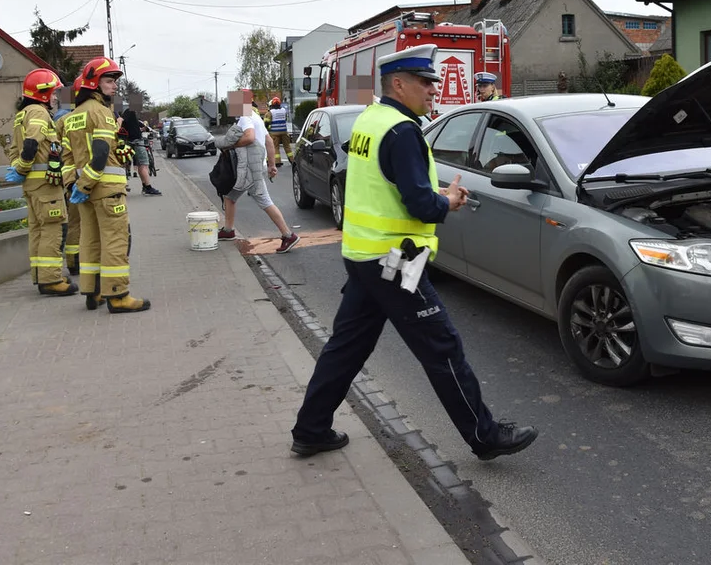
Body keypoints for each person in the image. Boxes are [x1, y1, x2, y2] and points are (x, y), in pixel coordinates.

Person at [290, 44, 538, 460]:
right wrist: (449, 201)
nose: (432, 90)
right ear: (399, 84)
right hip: (396, 261)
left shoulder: (372, 119)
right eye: (424, 83)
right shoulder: (404, 132)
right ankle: (485, 436)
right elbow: (419, 205)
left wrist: (432, 194)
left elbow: (386, 186)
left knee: (347, 347)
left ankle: (311, 428)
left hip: (365, 256)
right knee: (442, 348)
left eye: (432, 82)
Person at [62, 57, 151, 313]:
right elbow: (100, 153)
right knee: (115, 241)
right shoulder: (100, 112)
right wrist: (88, 183)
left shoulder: (73, 116)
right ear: (94, 83)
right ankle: (118, 295)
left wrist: (74, 186)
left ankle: (93, 292)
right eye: (109, 81)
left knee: (90, 240)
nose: (114, 87)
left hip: (84, 193)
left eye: (114, 82)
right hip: (106, 190)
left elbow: (67, 158)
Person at [4, 69, 78, 297]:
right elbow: (30, 145)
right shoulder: (38, 112)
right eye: (54, 93)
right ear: (43, 92)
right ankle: (52, 279)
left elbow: (14, 150)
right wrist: (25, 166)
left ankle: (41, 275)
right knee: (53, 229)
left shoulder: (22, 114)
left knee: (37, 230)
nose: (56, 97)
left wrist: (20, 170)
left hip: (31, 186)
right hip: (46, 185)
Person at [214, 109, 301, 253]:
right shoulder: (256, 118)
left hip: (250, 169)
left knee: (265, 201)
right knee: (229, 196)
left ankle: (288, 235)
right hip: (254, 166)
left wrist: (230, 145)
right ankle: (228, 230)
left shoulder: (245, 117)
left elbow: (249, 137)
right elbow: (269, 142)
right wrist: (271, 165)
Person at [53, 79, 82, 276]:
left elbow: (56, 148)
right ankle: (85, 262)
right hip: (89, 177)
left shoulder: (60, 120)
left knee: (74, 222)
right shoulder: (90, 116)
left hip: (69, 176)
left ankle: (73, 263)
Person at [119, 104, 162, 195]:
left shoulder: (130, 115)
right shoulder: (129, 112)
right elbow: (121, 120)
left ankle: (126, 185)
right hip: (136, 142)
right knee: (143, 164)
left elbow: (132, 124)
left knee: (129, 164)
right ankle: (147, 187)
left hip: (129, 141)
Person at [266, 96, 294, 166]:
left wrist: (267, 128)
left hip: (274, 132)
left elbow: (267, 122)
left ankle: (277, 162)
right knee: (287, 146)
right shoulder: (284, 110)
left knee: (275, 147)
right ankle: (292, 160)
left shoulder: (271, 112)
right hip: (284, 131)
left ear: (272, 104)